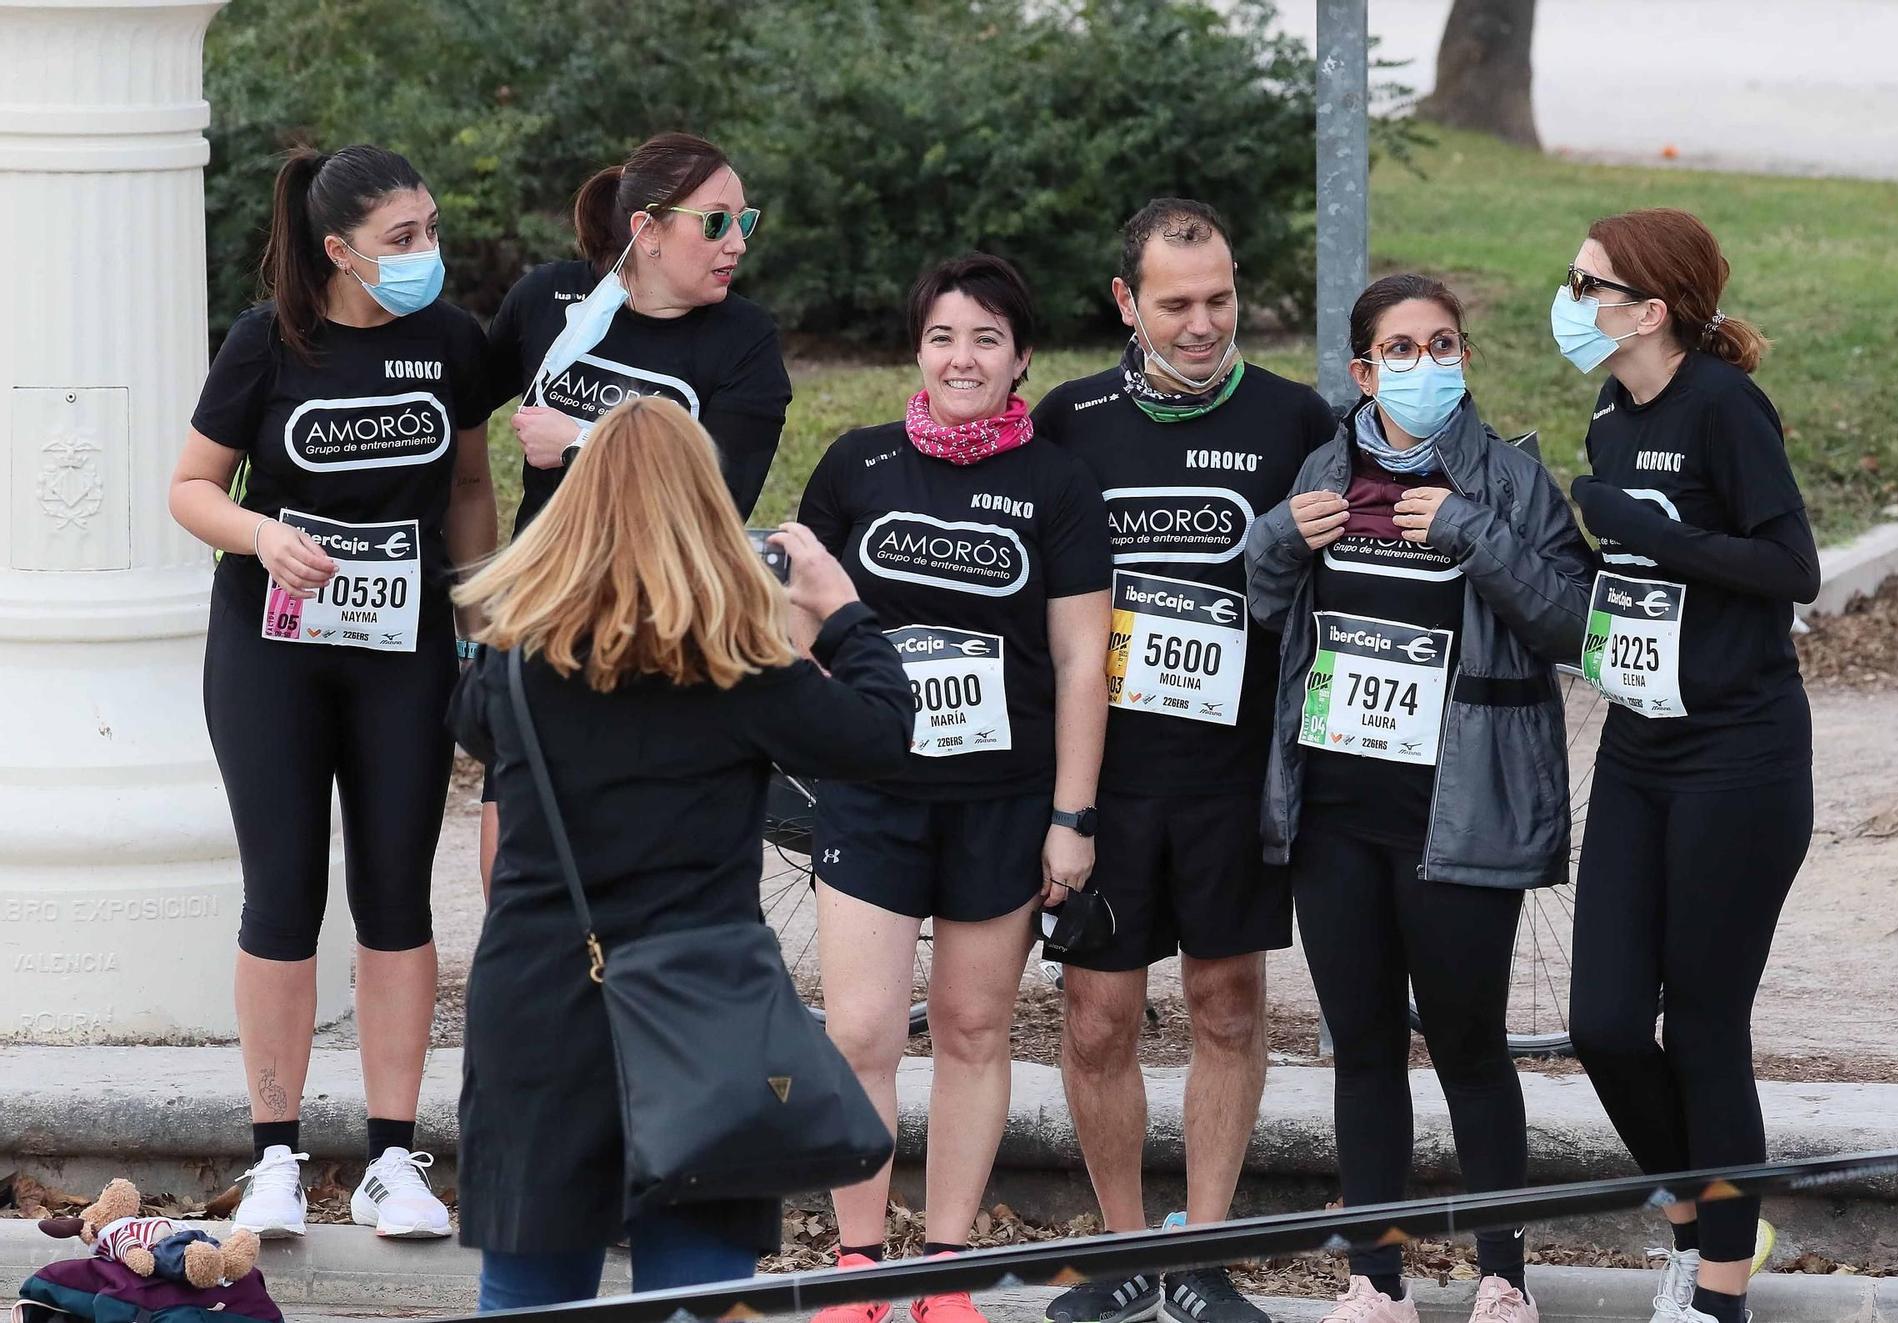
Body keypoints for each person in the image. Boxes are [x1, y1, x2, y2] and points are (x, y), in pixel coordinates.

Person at [448, 395, 914, 1309]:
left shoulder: (512, 657)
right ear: (704, 505)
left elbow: (468, 725)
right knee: (698, 1296)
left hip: (539, 998)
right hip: (702, 1005)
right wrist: (844, 612)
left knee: (528, 1291)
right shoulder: (736, 663)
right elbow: (884, 735)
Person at [1246, 274, 1594, 1323]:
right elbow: (1268, 613)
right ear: (1361, 370)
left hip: (1460, 812)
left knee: (1469, 1045)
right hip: (1336, 814)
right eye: (1401, 349)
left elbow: (1577, 626)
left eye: (1443, 345)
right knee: (1361, 1051)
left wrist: (1471, 533)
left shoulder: (1513, 480)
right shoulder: (1319, 468)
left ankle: (1500, 1275)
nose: (1427, 364)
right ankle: (1374, 1278)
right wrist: (1269, 544)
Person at [167, 145, 499, 1241]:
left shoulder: (450, 341)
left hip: (401, 648)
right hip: (272, 647)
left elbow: (466, 483)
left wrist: (481, 619)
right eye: (401, 238)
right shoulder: (269, 340)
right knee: (283, 895)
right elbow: (190, 488)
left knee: (399, 893)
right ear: (339, 250)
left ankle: (394, 1160)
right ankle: (274, 1158)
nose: (424, 255)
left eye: (431, 229)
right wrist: (267, 535)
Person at [1030, 198, 1336, 1323]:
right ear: (1126, 302)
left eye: (1217, 300)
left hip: (1231, 774)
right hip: (1100, 774)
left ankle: (1201, 1255)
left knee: (1225, 1005)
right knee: (1096, 1019)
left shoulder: (1293, 416)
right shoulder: (1069, 419)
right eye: (1175, 304)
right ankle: (1121, 1258)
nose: (1201, 324)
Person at [798, 253, 1113, 1323]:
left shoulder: (1058, 486)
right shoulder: (856, 466)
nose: (960, 357)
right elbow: (800, 627)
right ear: (916, 349)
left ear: (1022, 358)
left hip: (1005, 802)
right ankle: (856, 1267)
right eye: (941, 336)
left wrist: (1070, 818)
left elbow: (1080, 662)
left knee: (977, 1030)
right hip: (874, 794)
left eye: (985, 338)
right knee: (861, 1033)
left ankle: (944, 1272)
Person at [1556, 209, 1817, 1323]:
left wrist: (1641, 529)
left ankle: (1716, 1292)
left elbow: (1789, 566)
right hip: (1638, 745)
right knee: (1603, 1023)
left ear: (1647, 310)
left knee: (1702, 1025)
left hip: (1739, 756)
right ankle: (1700, 1216)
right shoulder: (1609, 414)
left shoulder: (1722, 409)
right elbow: (1625, 581)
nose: (1566, 299)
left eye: (1585, 282)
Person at [478, 130, 793, 892]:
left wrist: (583, 443)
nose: (735, 244)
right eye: (715, 222)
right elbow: (450, 407)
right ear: (647, 231)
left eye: (743, 222)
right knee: (519, 829)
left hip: (663, 622)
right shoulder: (552, 301)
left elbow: (716, 499)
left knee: (635, 852)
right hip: (543, 609)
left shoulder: (744, 341)